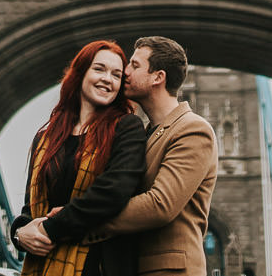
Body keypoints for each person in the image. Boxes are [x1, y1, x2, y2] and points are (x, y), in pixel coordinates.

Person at [84, 36, 219, 276]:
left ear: (158, 77)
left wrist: (81, 221)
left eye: (134, 66)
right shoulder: (146, 133)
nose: (124, 72)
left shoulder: (193, 129)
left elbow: (160, 205)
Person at [12, 39, 147, 276]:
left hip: (97, 264)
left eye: (117, 75)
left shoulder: (126, 128)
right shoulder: (45, 138)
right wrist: (20, 233)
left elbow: (113, 193)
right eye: (99, 69)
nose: (108, 79)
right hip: (42, 265)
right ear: (80, 73)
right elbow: (30, 208)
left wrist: (50, 228)